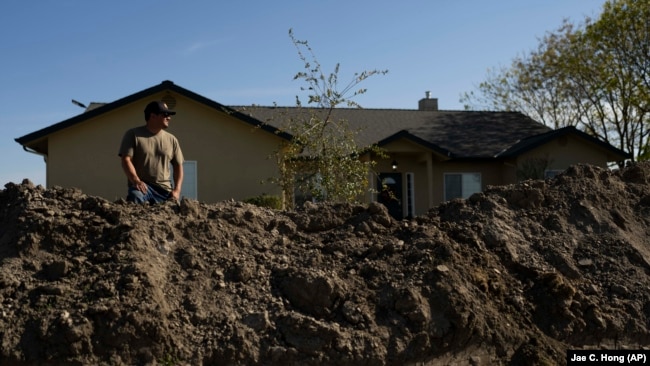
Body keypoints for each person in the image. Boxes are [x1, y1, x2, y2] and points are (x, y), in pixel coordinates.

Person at [118, 101, 184, 204]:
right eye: (165, 114)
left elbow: (178, 166)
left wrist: (177, 190)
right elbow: (126, 160)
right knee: (136, 196)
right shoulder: (133, 134)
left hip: (164, 191)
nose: (169, 118)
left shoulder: (172, 140)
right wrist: (136, 181)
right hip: (142, 187)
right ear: (152, 116)